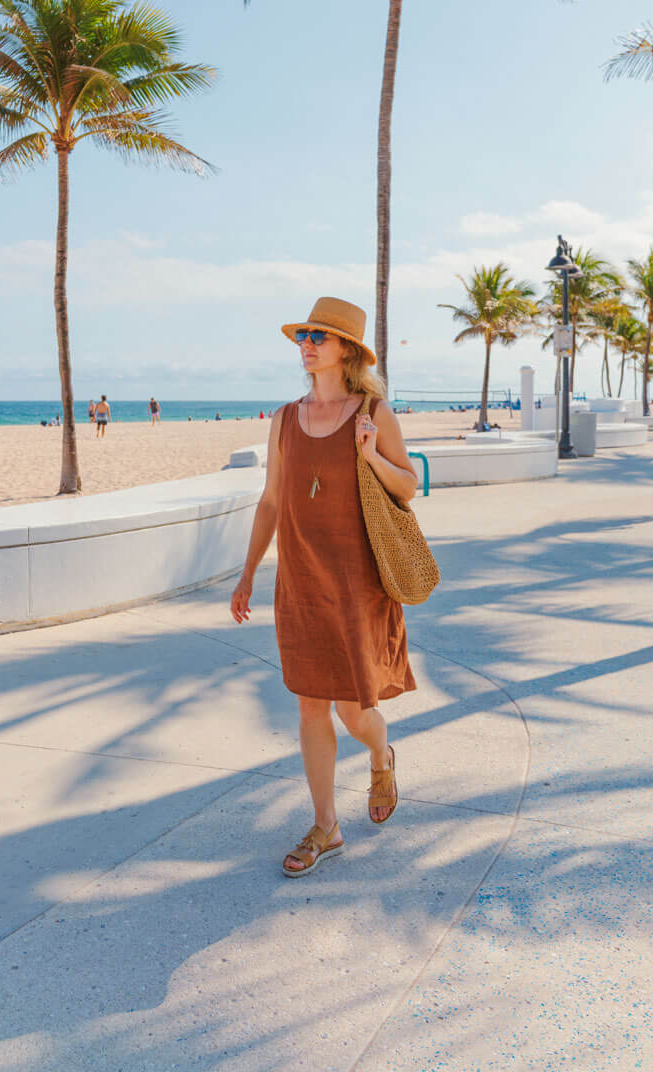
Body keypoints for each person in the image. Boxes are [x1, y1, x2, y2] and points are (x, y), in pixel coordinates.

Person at [230, 296, 418, 878]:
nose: (307, 344)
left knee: (354, 710)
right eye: (303, 335)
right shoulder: (285, 418)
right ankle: (326, 826)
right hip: (302, 582)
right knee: (311, 704)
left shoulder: (372, 412)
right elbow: (271, 501)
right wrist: (247, 574)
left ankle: (380, 753)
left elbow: (408, 486)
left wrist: (369, 455)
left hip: (358, 584)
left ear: (347, 351)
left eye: (320, 336)